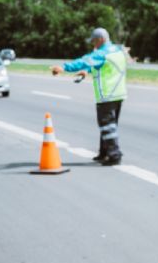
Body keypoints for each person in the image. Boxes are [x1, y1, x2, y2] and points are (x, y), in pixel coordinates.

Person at [50, 28, 127, 166]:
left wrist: (63, 68)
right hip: (118, 94)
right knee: (109, 125)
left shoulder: (102, 53)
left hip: (107, 95)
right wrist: (87, 71)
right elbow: (105, 67)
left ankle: (114, 155)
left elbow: (85, 61)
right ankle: (104, 153)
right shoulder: (116, 50)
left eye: (94, 41)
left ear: (101, 40)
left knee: (107, 126)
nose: (93, 45)